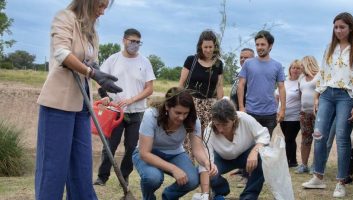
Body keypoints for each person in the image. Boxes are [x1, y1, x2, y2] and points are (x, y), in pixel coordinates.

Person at [35, 0, 122, 199]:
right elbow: (62, 53)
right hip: (58, 105)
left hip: (82, 106)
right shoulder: (65, 18)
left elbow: (92, 62)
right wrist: (91, 72)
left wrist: (101, 78)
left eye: (105, 7)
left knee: (82, 166)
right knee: (53, 168)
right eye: (100, 6)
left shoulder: (91, 32)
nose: (102, 12)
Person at [302, 12, 353, 198]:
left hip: (346, 96)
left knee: (342, 138)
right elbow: (322, 73)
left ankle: (341, 182)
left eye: (342, 27)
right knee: (319, 135)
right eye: (336, 27)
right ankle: (318, 177)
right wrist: (316, 96)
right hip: (326, 94)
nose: (338, 30)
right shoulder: (329, 47)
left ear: (351, 28)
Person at [93, 28, 155, 186]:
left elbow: (149, 88)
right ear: (124, 40)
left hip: (137, 112)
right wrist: (104, 96)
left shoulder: (145, 62)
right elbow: (99, 79)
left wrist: (132, 99)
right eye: (132, 41)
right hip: (115, 112)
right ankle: (102, 177)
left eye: (137, 42)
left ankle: (125, 176)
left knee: (132, 147)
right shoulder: (113, 60)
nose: (134, 44)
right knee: (110, 145)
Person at [132, 87, 217, 200]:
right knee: (153, 178)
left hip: (175, 153)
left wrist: (207, 162)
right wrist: (174, 169)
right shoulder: (151, 115)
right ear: (167, 106)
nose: (181, 117)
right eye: (178, 112)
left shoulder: (192, 119)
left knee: (192, 180)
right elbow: (144, 153)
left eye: (185, 113)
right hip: (148, 153)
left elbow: (197, 149)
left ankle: (168, 196)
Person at [204, 99, 270, 199]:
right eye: (217, 124)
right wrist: (211, 166)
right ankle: (221, 190)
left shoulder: (244, 118)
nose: (220, 129)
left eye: (225, 124)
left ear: (234, 119)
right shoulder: (209, 130)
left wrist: (254, 151)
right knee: (206, 170)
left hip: (246, 156)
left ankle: (249, 195)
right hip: (222, 159)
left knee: (263, 157)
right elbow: (207, 155)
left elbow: (264, 134)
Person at [178, 29, 224, 159]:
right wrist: (176, 101)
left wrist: (221, 107)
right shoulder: (191, 60)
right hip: (191, 103)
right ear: (200, 46)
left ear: (215, 47)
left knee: (207, 138)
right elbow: (181, 83)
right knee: (188, 138)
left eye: (211, 47)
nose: (208, 50)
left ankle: (206, 170)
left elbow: (219, 87)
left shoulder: (218, 64)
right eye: (205, 47)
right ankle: (188, 168)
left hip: (210, 105)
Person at [238, 30, 286, 136]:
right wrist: (241, 107)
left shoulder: (277, 66)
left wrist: (282, 109)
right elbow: (241, 84)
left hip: (270, 114)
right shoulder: (248, 63)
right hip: (250, 112)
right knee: (249, 145)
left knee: (264, 147)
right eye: (257, 44)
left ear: (270, 46)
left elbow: (281, 88)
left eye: (263, 44)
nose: (259, 47)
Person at [295, 56, 319, 174]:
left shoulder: (319, 76)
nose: (300, 68)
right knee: (305, 139)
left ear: (308, 64)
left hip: (318, 112)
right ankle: (304, 165)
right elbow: (301, 94)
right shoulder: (301, 79)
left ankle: (316, 165)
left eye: (302, 66)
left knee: (319, 139)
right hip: (305, 113)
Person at [276, 60, 302, 168]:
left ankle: (286, 162)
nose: (295, 70)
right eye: (293, 68)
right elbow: (277, 96)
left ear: (301, 70)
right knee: (289, 138)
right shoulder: (284, 82)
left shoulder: (301, 83)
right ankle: (293, 161)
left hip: (295, 116)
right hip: (282, 115)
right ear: (290, 69)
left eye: (298, 68)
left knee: (289, 139)